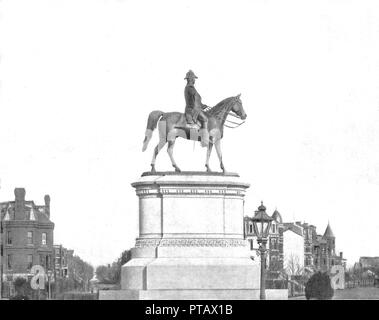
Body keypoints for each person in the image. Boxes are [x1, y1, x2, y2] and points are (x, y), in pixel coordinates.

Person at [184, 70, 209, 147]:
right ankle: (204, 141)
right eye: (194, 78)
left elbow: (196, 100)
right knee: (205, 119)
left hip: (194, 108)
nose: (194, 80)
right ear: (191, 79)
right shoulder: (190, 88)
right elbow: (193, 101)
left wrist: (202, 105)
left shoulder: (191, 88)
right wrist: (199, 108)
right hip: (192, 109)